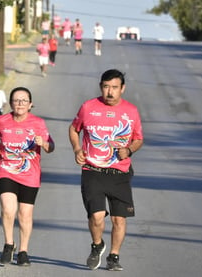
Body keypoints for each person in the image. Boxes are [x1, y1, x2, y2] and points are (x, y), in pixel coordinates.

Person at [68, 69, 143, 271]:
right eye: (106, 87)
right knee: (97, 216)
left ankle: (114, 256)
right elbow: (74, 129)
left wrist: (129, 150)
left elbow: (138, 139)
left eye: (114, 88)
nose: (110, 92)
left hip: (120, 172)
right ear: (101, 86)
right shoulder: (88, 107)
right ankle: (97, 245)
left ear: (122, 88)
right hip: (93, 170)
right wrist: (77, 149)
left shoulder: (131, 111)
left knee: (119, 218)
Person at [0, 87, 55, 266]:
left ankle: (23, 251)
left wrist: (44, 143)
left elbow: (51, 146)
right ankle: (9, 244)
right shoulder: (2, 120)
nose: (20, 104)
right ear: (11, 103)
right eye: (16, 100)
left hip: (30, 174)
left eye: (24, 101)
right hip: (6, 170)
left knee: (25, 214)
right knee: (8, 210)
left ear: (30, 104)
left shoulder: (38, 123)